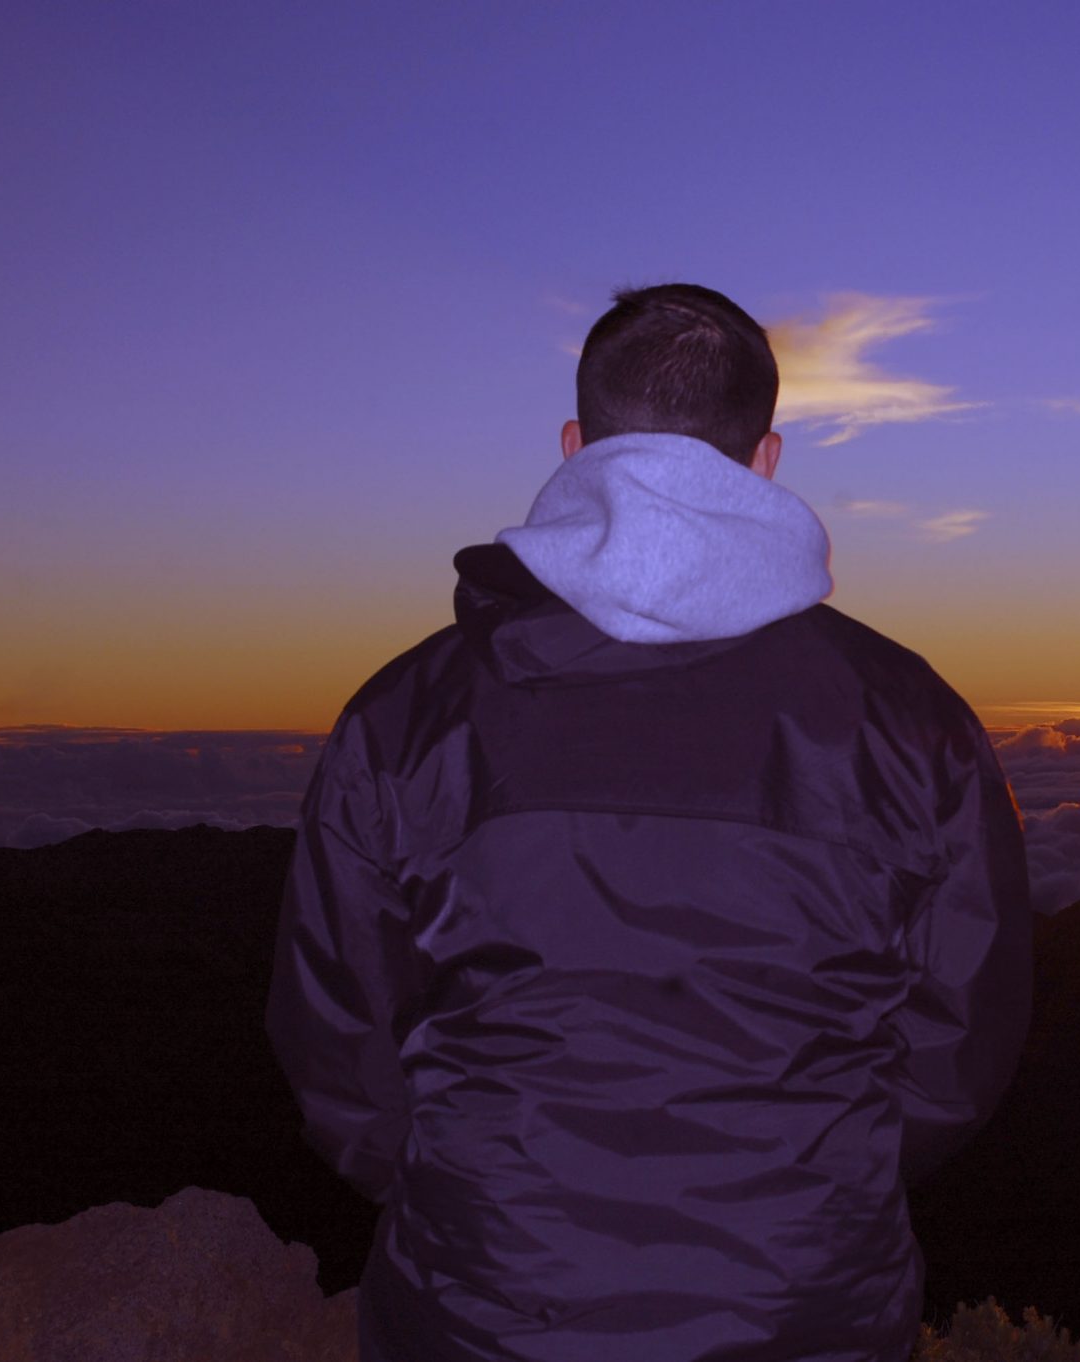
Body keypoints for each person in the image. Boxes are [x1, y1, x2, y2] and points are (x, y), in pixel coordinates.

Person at [265, 282, 1033, 1362]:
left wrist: (460, 1187)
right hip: (802, 1308)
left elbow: (336, 1037)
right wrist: (817, 1180)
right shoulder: (909, 720)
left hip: (486, 1305)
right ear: (765, 459)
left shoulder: (407, 714)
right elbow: (957, 1048)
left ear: (575, 446)